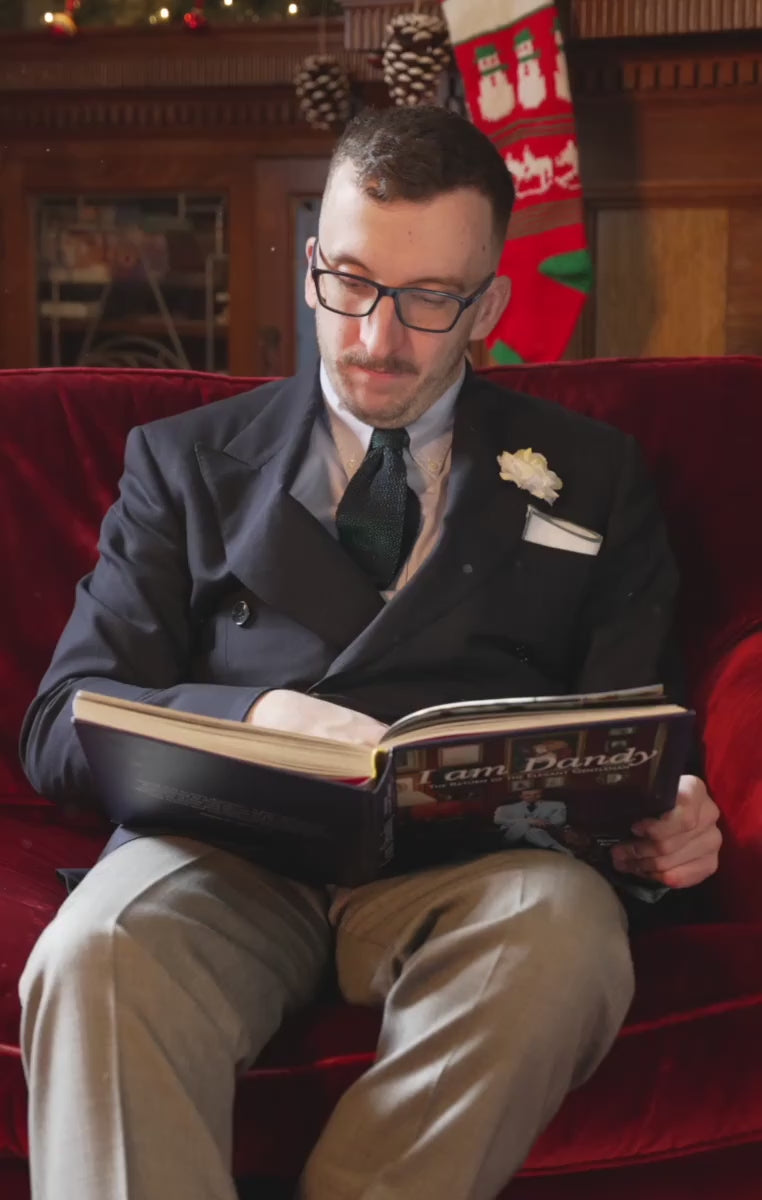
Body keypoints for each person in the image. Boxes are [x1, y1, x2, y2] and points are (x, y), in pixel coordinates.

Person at [18, 105, 722, 1200]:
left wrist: (667, 821)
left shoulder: (596, 474)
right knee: (89, 951)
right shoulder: (183, 463)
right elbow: (61, 722)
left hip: (486, 872)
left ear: (489, 302)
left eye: (430, 300)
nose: (374, 339)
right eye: (348, 282)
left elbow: (635, 729)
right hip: (224, 859)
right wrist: (252, 721)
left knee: (568, 939)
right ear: (311, 264)